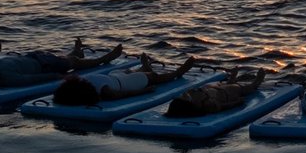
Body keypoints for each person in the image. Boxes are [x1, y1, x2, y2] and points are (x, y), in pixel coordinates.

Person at [51, 53, 207, 107]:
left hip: (115, 76)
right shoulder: (104, 91)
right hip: (127, 83)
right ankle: (178, 72)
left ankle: (145, 66)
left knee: (129, 71)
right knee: (155, 78)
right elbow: (122, 95)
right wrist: (144, 91)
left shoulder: (83, 82)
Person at [0, 39, 122, 92]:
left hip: (35, 58)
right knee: (73, 63)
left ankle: (77, 52)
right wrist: (58, 76)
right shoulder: (8, 79)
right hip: (43, 64)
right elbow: (34, 79)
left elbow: (30, 79)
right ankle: (104, 59)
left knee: (67, 61)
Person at [164, 67, 267, 118]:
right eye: (184, 97)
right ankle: (257, 82)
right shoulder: (206, 105)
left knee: (214, 85)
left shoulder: (190, 95)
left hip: (209, 89)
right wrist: (236, 102)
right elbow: (223, 106)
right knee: (242, 88)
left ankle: (230, 80)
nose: (184, 94)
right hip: (225, 94)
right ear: (188, 104)